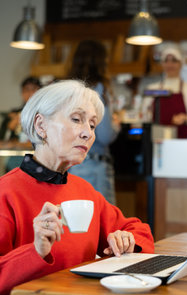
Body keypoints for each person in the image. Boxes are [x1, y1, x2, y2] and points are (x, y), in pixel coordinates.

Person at [0, 80, 154, 295]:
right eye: (77, 120)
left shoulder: (84, 191)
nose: (88, 134)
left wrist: (126, 240)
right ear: (41, 126)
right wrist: (34, 251)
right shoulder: (4, 193)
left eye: (93, 125)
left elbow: (140, 232)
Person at [67, 40, 120, 205]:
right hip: (94, 166)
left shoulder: (67, 89)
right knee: (101, 224)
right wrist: (116, 125)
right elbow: (104, 135)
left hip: (70, 165)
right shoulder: (99, 90)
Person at [141, 46, 187, 138]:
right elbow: (143, 116)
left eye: (174, 60)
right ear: (162, 64)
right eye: (166, 60)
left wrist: (186, 118)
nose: (170, 64)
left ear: (181, 64)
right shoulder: (152, 89)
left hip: (183, 143)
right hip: (156, 143)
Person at [0, 76, 42, 171]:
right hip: (15, 161)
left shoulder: (46, 113)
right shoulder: (14, 114)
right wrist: (11, 126)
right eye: (26, 90)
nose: (30, 93)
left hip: (39, 162)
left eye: (34, 89)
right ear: (22, 93)